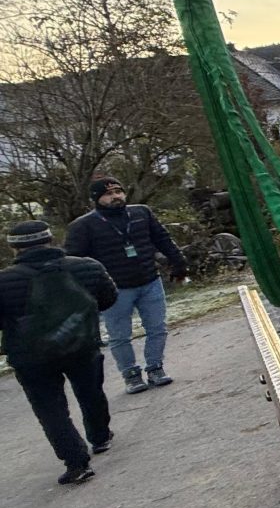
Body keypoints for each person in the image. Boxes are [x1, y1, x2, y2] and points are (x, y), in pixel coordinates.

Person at [0, 220, 119, 486]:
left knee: (50, 410)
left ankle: (76, 463)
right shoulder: (88, 266)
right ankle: (100, 437)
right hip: (82, 344)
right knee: (91, 392)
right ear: (50, 239)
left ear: (14, 248)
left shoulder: (4, 280)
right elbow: (109, 298)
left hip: (31, 356)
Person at [66, 176, 188, 393]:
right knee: (120, 335)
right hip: (115, 289)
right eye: (108, 194)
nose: (115, 197)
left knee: (157, 328)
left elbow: (162, 239)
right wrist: (88, 289)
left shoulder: (141, 213)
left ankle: (155, 367)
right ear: (96, 198)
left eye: (118, 192)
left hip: (149, 280)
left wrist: (179, 263)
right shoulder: (83, 225)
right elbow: (75, 261)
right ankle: (131, 374)